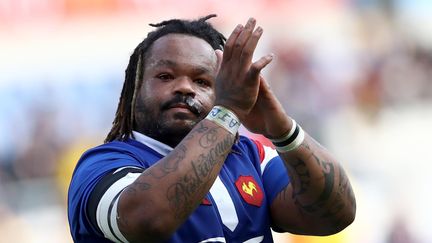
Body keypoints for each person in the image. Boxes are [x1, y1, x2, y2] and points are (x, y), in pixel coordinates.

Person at [67, 15, 356, 243]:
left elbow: (334, 215)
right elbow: (148, 219)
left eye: (203, 82)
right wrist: (228, 112)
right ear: (135, 88)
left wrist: (280, 128)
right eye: (165, 76)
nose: (183, 87)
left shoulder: (252, 155)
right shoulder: (100, 166)